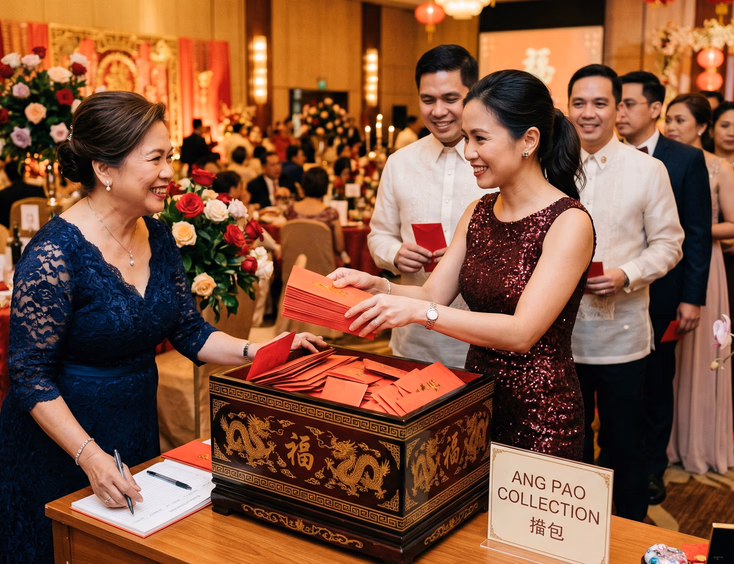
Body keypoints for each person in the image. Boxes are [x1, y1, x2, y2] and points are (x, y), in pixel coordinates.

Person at [0, 92, 325, 564]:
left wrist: (261, 350)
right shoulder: (55, 254)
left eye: (168, 156)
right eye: (155, 158)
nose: (171, 172)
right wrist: (88, 456)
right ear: (104, 170)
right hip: (60, 447)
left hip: (132, 430)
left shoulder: (157, 234)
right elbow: (29, 375)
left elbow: (189, 330)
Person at [331, 69, 594, 461]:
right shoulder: (479, 212)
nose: (468, 151)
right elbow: (432, 292)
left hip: (541, 414)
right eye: (467, 138)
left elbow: (522, 332)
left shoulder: (569, 221)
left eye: (480, 138)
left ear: (529, 140)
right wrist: (378, 286)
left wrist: (421, 312)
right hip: (478, 399)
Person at [567, 64, 684, 521]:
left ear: (618, 108)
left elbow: (670, 244)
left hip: (622, 339)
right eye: (579, 103)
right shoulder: (551, 167)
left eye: (600, 103)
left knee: (623, 442)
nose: (589, 113)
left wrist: (626, 274)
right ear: (568, 106)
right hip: (559, 336)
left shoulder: (648, 170)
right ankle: (570, 529)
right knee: (569, 441)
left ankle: (629, 529)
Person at [616, 72, 712, 506]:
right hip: (611, 296)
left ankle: (653, 468)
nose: (619, 113)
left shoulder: (684, 159)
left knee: (656, 383)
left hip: (666, 293)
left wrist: (692, 297)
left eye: (627, 104)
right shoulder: (603, 157)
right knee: (617, 387)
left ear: (654, 109)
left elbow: (694, 234)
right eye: (616, 104)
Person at [367, 44, 486, 369]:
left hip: (481, 334)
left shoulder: (494, 163)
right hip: (413, 334)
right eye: (428, 100)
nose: (438, 111)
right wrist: (394, 253)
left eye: (451, 99)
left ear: (473, 94)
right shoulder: (400, 162)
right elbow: (378, 235)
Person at [663, 93, 734, 475]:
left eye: (681, 120)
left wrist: (691, 228)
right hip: (670, 263)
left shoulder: (718, 167)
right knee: (668, 360)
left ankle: (702, 442)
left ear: (702, 127)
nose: (672, 127)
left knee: (703, 353)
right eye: (669, 120)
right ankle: (670, 441)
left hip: (706, 263)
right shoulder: (659, 161)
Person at [285, 167, 350, 266]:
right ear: (325, 187)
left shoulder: (290, 211)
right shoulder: (330, 214)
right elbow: (340, 247)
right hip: (323, 271)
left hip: (295, 269)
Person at [0, 158, 46, 228]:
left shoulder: (2, 195)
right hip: (40, 232)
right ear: (24, 173)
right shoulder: (38, 190)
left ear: (7, 176)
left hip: (11, 234)